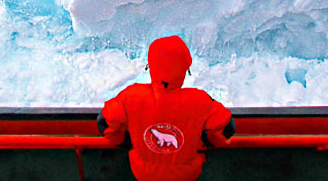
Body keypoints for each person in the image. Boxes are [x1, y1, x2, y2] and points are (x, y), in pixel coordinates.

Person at [97, 36, 235, 181]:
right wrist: (205, 141)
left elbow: (104, 122)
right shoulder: (200, 100)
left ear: (150, 66)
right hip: (186, 174)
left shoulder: (131, 96)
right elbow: (227, 127)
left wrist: (125, 141)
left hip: (144, 173)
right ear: (185, 69)